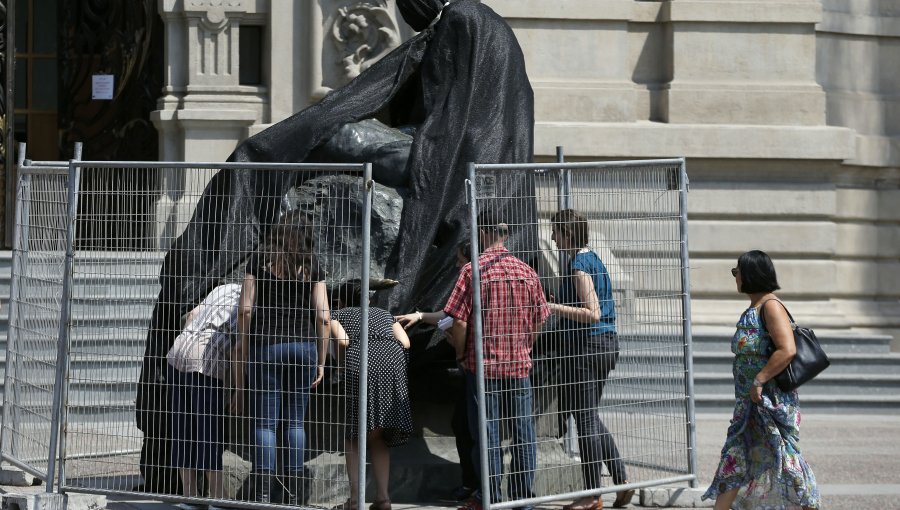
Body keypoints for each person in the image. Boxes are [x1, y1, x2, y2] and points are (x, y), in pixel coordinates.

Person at [443, 210, 550, 510]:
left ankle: (491, 498)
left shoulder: (472, 271)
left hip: (483, 368)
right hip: (518, 366)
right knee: (523, 433)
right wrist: (525, 345)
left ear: (484, 232)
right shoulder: (526, 271)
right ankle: (522, 499)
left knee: (487, 435)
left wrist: (461, 354)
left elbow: (459, 322)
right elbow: (540, 318)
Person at [702, 250, 820, 510]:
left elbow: (786, 349)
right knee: (736, 455)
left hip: (769, 401)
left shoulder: (771, 306)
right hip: (749, 404)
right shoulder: (753, 308)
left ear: (750, 275)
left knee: (784, 458)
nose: (735, 277)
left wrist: (759, 381)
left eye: (737, 272)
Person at [230, 210, 331, 504]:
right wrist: (321, 360)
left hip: (266, 346)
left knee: (264, 423)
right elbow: (323, 315)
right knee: (295, 423)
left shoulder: (259, 261)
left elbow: (245, 309)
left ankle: (263, 494)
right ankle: (295, 495)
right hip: (303, 347)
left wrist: (245, 344)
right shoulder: (312, 265)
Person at [547, 209, 633, 509]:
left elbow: (592, 312)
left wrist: (554, 307)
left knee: (584, 418)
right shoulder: (592, 258)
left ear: (568, 234)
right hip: (604, 344)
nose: (552, 237)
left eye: (556, 231)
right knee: (588, 414)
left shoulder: (579, 265)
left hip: (589, 347)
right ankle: (621, 480)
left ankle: (592, 493)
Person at [396, 240, 477, 501]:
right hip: (478, 365)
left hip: (473, 365)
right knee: (466, 424)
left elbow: (457, 322)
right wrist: (420, 316)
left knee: (469, 426)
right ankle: (474, 485)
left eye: (459, 259)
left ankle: (475, 486)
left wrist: (461, 351)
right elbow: (450, 316)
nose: (455, 265)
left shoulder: (470, 279)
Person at [330, 279, 413, 510]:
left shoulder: (339, 314)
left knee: (354, 435)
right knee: (377, 435)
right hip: (393, 365)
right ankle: (384, 499)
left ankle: (355, 500)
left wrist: (339, 366)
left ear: (341, 300)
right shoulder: (384, 314)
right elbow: (405, 342)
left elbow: (344, 341)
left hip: (361, 363)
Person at [166, 282, 242, 506]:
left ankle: (189, 496)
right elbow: (238, 350)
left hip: (178, 350)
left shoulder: (224, 288)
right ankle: (217, 497)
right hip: (206, 359)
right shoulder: (252, 302)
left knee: (182, 428)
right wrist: (239, 388)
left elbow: (192, 314)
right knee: (208, 430)